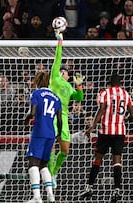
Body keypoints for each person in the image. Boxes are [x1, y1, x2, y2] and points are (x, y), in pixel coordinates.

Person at [78, 73, 133, 203]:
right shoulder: (126, 94)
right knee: (117, 161)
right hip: (119, 132)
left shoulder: (105, 92)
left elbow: (101, 109)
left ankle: (89, 188)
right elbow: (132, 114)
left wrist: (92, 127)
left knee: (97, 159)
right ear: (120, 84)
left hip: (105, 131)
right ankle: (117, 190)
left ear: (109, 83)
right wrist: (125, 118)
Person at [47, 30, 84, 188]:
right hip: (51, 115)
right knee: (51, 147)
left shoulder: (69, 88)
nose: (62, 72)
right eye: (61, 71)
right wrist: (60, 42)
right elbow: (58, 58)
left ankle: (54, 171)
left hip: (64, 117)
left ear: (68, 76)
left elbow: (79, 98)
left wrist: (79, 86)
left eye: (65, 72)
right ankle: (49, 174)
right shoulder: (54, 78)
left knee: (65, 150)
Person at [24, 71, 63, 203]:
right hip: (51, 133)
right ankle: (51, 196)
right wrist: (58, 134)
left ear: (37, 82)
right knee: (44, 165)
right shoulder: (56, 97)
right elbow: (59, 120)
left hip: (39, 132)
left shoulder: (36, 94)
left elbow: (33, 112)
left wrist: (25, 119)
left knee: (33, 163)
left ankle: (37, 197)